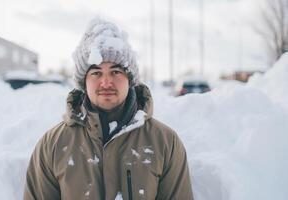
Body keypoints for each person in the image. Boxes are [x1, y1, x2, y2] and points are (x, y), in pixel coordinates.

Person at [24, 17, 193, 200]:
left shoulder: (164, 142)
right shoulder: (53, 145)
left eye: (116, 72)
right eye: (96, 72)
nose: (106, 82)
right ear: (84, 81)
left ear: (130, 79)